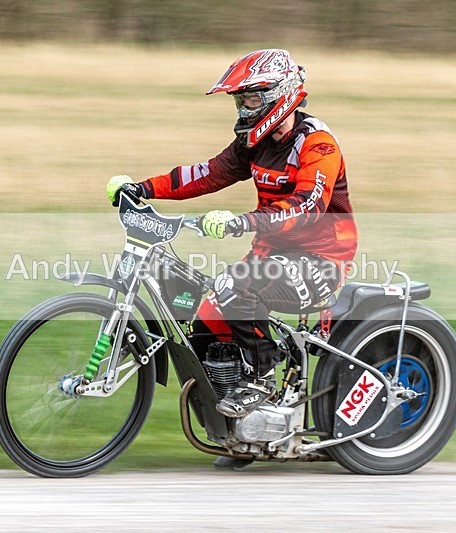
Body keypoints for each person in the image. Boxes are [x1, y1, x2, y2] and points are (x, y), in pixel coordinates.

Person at [106, 49, 358, 421]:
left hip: (322, 261)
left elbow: (308, 208)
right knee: (204, 324)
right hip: (271, 254)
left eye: (252, 98)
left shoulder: (318, 145)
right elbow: (206, 174)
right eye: (240, 100)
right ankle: (241, 434)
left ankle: (262, 378)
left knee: (233, 286)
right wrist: (143, 188)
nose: (243, 108)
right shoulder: (255, 143)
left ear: (280, 95)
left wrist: (243, 222)